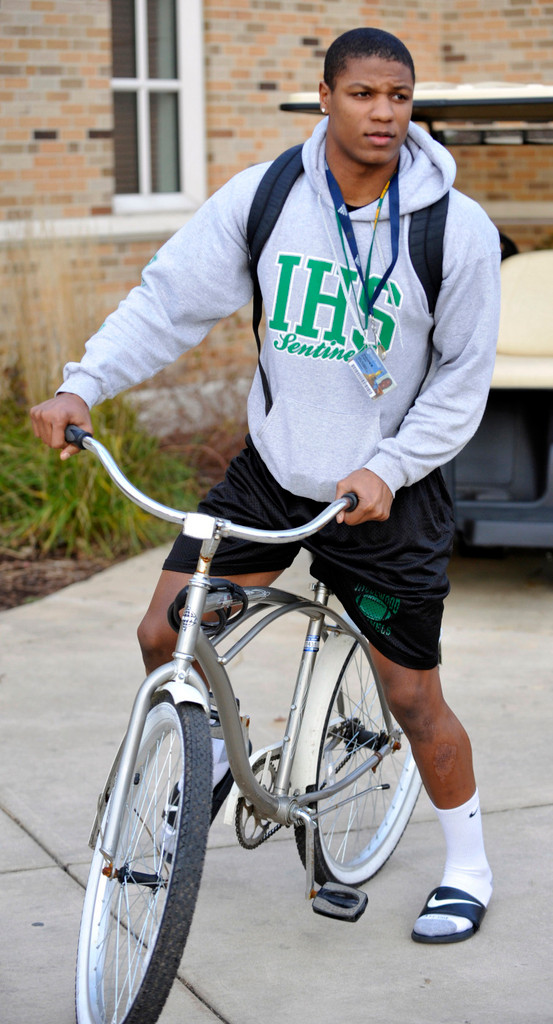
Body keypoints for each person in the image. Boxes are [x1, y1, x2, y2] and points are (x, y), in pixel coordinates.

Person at [30, 26, 500, 944]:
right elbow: (169, 301)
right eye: (363, 94)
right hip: (275, 476)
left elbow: (458, 385)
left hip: (384, 498)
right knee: (164, 630)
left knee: (411, 701)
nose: (383, 114)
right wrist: (83, 381)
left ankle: (469, 865)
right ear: (323, 96)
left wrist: (389, 466)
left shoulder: (456, 229)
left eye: (398, 98)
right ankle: (207, 758)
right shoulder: (269, 195)